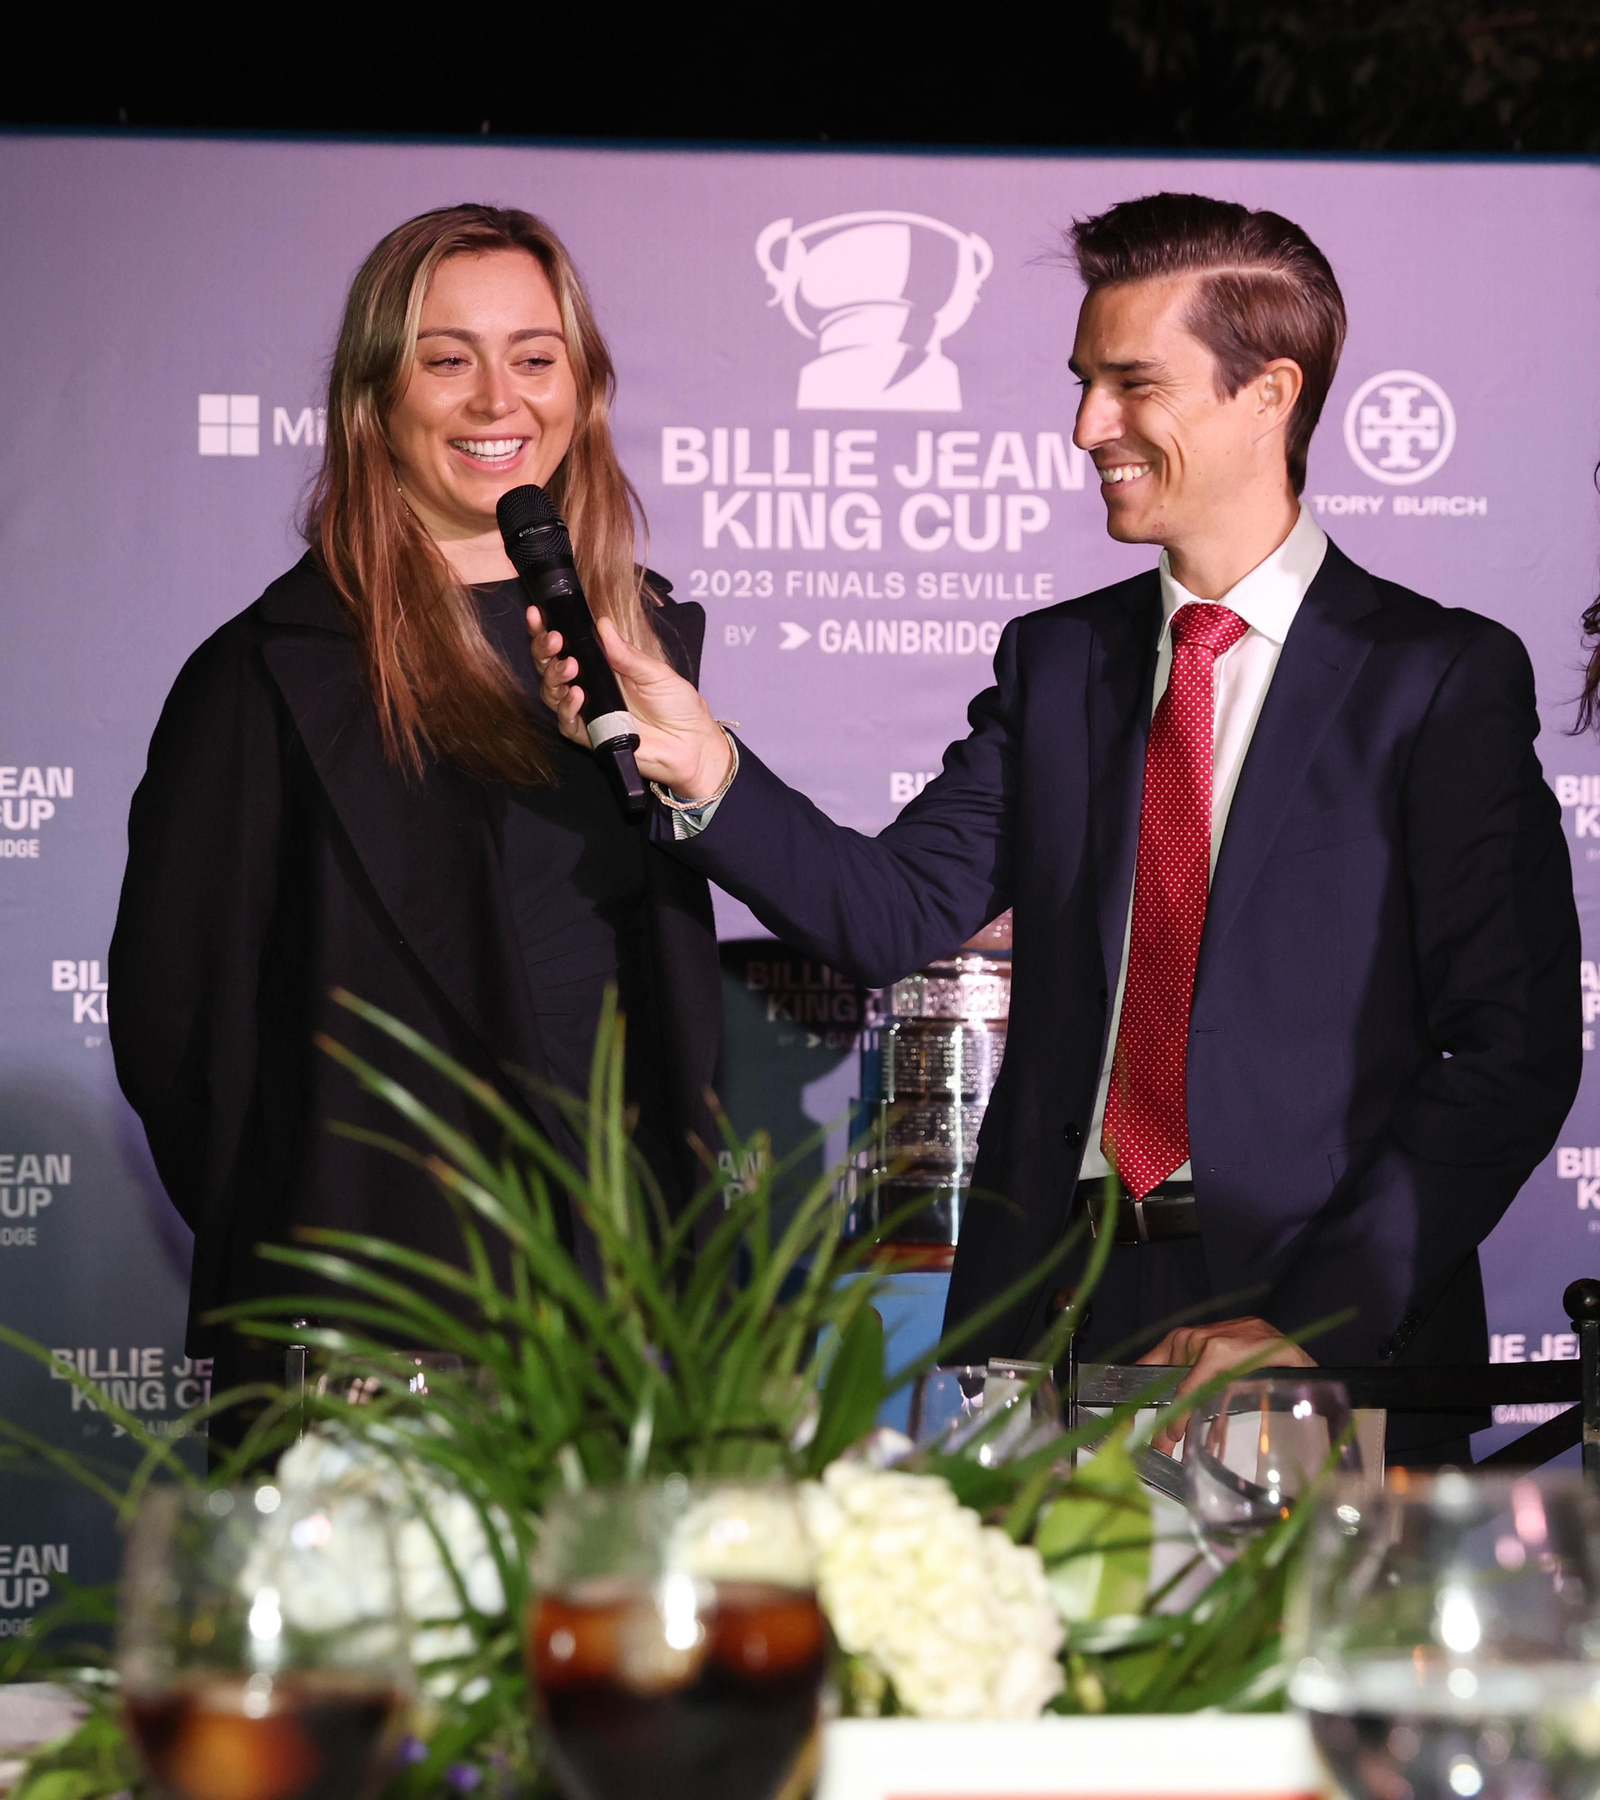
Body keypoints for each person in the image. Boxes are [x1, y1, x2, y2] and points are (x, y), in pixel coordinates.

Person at [532, 192, 1580, 1465]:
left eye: (1132, 384)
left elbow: (1510, 1048)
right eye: (1085, 383)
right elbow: (889, 911)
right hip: (1052, 1326)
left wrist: (1303, 1320)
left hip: (1321, 1342)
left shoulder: (1433, 675)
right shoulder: (1060, 662)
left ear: (1268, 394)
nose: (1088, 425)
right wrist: (704, 764)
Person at [110, 205, 720, 1423]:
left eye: (534, 357)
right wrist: (310, 1238)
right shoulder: (265, 677)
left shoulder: (646, 655)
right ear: (376, 398)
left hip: (628, 1310)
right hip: (373, 1320)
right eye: (448, 359)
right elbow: (178, 1035)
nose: (499, 398)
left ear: (582, 387)